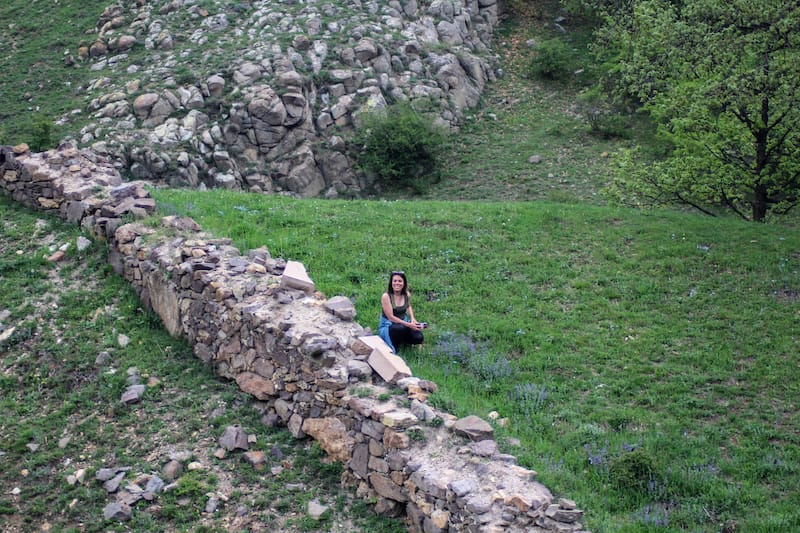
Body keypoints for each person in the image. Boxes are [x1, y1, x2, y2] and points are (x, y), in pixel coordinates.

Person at [378, 270, 425, 353]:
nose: (397, 283)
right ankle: (394, 344)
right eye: (395, 281)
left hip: (404, 322)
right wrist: (409, 325)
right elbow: (391, 317)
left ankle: (403, 340)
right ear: (391, 283)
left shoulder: (406, 295)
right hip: (389, 325)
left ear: (404, 283)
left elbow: (409, 306)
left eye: (400, 281)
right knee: (399, 328)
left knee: (418, 336)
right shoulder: (386, 296)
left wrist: (413, 319)